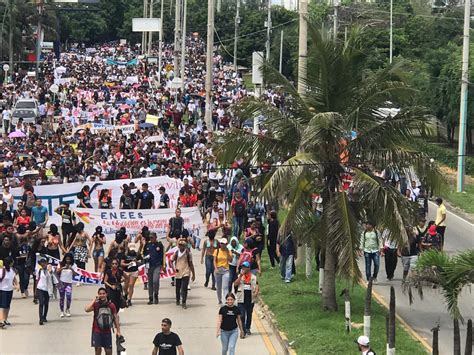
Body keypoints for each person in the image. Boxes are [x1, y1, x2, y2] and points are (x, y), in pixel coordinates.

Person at [85, 287, 122, 355]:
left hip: (107, 332)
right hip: (97, 331)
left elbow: (116, 318)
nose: (102, 295)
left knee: (108, 352)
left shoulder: (111, 305)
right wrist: (94, 300)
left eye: (103, 293)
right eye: (100, 294)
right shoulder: (96, 304)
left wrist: (118, 331)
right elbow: (87, 309)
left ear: (106, 294)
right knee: (98, 350)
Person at [234, 261, 259, 336]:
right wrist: (240, 276)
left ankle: (248, 328)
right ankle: (243, 330)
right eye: (243, 267)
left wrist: (256, 292)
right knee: (241, 315)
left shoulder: (253, 277)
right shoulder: (240, 276)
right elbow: (235, 284)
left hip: (250, 298)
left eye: (245, 267)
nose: (244, 268)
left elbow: (257, 285)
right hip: (241, 298)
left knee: (249, 314)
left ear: (249, 268)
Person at [173, 238, 196, 309]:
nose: (181, 246)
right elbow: (171, 261)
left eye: (182, 245)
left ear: (185, 246)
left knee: (184, 288)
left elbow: (191, 264)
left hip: (186, 272)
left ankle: (184, 302)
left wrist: (193, 274)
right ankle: (177, 299)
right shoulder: (176, 253)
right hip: (178, 272)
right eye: (180, 245)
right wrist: (173, 268)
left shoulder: (187, 253)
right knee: (178, 287)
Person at [143, 232, 164, 305]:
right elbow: (144, 254)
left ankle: (156, 295)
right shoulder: (147, 245)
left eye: (152, 237)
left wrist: (163, 265)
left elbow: (163, 255)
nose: (151, 239)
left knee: (155, 281)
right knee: (150, 282)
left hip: (157, 265)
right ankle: (151, 298)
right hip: (149, 266)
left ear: (156, 237)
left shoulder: (159, 245)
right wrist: (145, 259)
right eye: (150, 237)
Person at [57, 253, 76, 318]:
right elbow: (57, 271)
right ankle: (62, 311)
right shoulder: (60, 264)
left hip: (69, 283)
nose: (68, 261)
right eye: (67, 259)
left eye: (69, 259)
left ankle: (67, 309)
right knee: (62, 297)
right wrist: (62, 268)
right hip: (62, 283)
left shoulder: (74, 265)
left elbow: (75, 274)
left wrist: (71, 269)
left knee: (68, 297)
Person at [214, 238, 232, 305]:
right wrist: (215, 268)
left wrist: (227, 252)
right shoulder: (217, 251)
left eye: (224, 244)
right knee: (218, 287)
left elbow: (230, 260)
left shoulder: (228, 251)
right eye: (221, 243)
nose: (223, 245)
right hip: (218, 269)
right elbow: (214, 260)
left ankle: (225, 301)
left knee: (225, 287)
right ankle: (219, 300)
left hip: (226, 270)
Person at [0, 257, 17, 328]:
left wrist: (17, 285)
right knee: (2, 306)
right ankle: (0, 321)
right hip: (2, 290)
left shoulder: (12, 270)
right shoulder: (2, 271)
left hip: (10, 290)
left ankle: (5, 319)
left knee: (7, 305)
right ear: (10, 263)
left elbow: (14, 278)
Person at [36, 257, 53, 325]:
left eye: (44, 263)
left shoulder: (49, 269)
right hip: (40, 288)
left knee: (46, 303)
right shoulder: (39, 270)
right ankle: (40, 319)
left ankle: (44, 316)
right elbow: (37, 280)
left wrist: (50, 270)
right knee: (41, 303)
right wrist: (35, 291)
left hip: (47, 289)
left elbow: (52, 275)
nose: (43, 265)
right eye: (41, 263)